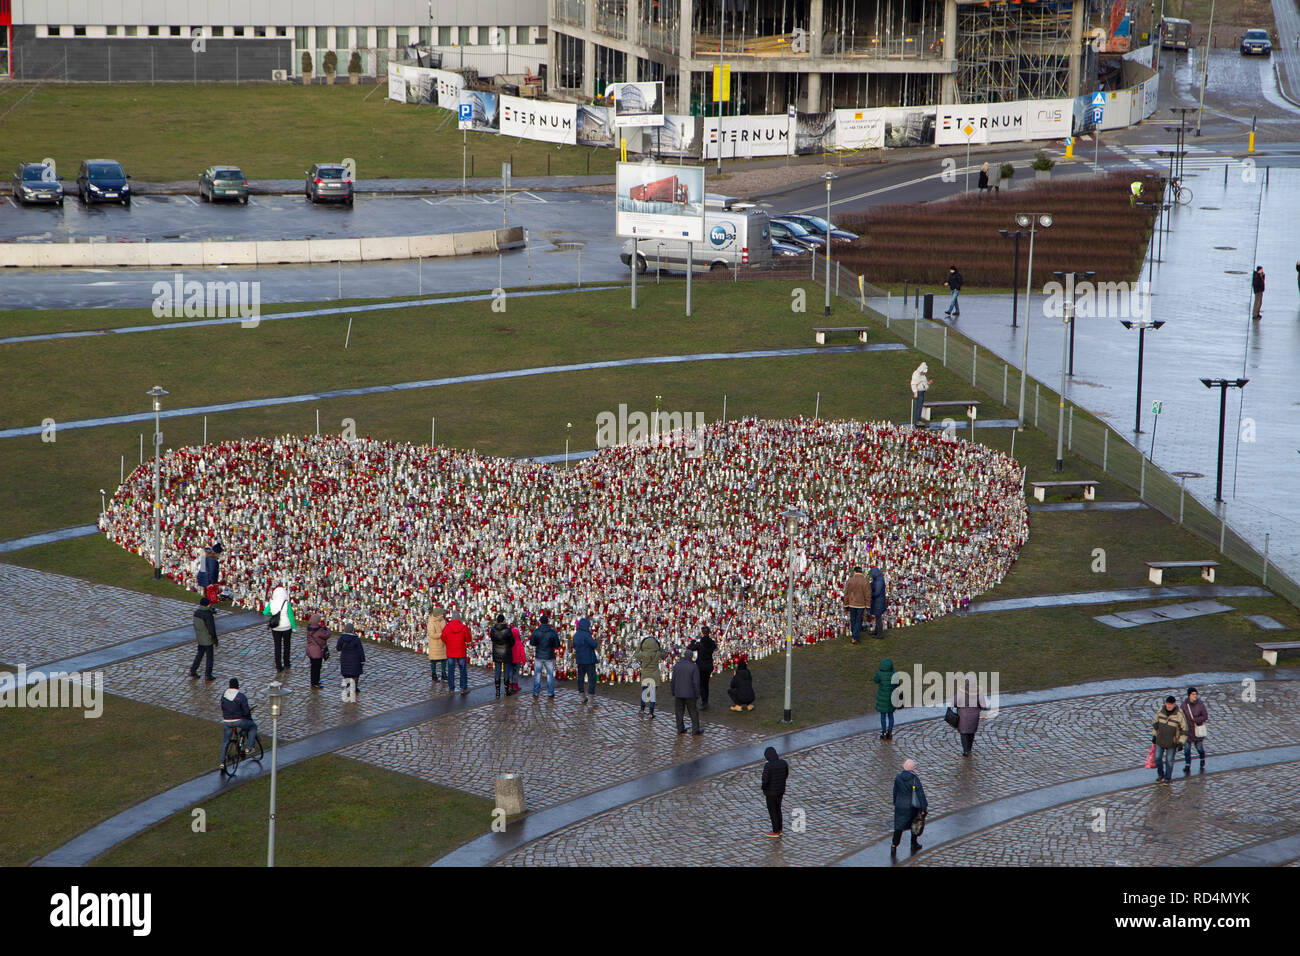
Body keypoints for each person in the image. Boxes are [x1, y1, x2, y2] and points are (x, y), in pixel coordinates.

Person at [218, 678, 259, 772]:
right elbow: (246, 711)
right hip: (239, 721)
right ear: (237, 686)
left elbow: (223, 707)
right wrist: (248, 717)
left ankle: (222, 763)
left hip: (227, 721)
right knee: (253, 727)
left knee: (225, 742)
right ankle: (249, 748)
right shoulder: (241, 696)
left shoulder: (224, 695)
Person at [891, 758, 927, 855]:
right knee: (914, 824)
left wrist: (895, 802)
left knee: (898, 827)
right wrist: (924, 808)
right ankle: (913, 844)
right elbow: (920, 794)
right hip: (911, 806)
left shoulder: (898, 777)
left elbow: (895, 792)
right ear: (913, 768)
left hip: (900, 805)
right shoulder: (914, 779)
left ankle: (894, 845)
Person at [1152, 695, 1188, 784]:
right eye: (1167, 704)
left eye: (1171, 704)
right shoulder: (1160, 711)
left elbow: (1184, 730)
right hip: (1160, 740)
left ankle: (1168, 778)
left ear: (1174, 704)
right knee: (1157, 758)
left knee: (1169, 761)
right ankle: (1161, 774)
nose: (1169, 706)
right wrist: (1154, 735)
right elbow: (1155, 724)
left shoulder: (1179, 715)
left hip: (1172, 743)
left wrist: (1181, 742)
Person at [262, 585, 296, 672]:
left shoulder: (272, 603)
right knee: (286, 646)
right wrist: (294, 627)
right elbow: (291, 616)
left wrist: (273, 614)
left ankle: (278, 665)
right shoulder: (286, 603)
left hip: (276, 628)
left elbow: (265, 612)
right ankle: (286, 663)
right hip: (286, 627)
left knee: (277, 646)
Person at [672, 647, 703, 735]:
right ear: (691, 656)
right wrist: (697, 694)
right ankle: (695, 729)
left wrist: (673, 690)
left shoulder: (677, 665)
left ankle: (680, 728)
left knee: (679, 712)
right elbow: (696, 682)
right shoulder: (694, 666)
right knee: (693, 712)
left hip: (678, 692)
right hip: (690, 693)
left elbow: (673, 679)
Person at [441, 611, 473, 695]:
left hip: (451, 652)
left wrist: (448, 642)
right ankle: (463, 687)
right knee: (462, 670)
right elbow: (468, 639)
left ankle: (451, 688)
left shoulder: (447, 627)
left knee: (451, 670)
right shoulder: (463, 628)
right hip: (461, 652)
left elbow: (443, 637)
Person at [953, 678, 988, 756]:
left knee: (964, 733)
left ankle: (965, 750)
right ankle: (969, 748)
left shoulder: (961, 692)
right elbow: (983, 704)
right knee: (971, 732)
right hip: (974, 715)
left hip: (963, 715)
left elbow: (954, 703)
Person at [761, 746, 790, 838]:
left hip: (770, 793)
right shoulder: (783, 763)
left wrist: (763, 788)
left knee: (772, 811)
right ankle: (780, 829)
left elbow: (765, 780)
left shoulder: (768, 766)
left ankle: (775, 831)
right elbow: (786, 774)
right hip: (780, 791)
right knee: (778, 810)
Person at [530, 614, 560, 699]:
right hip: (549, 656)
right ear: (548, 622)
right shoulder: (552, 632)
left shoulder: (536, 631)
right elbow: (557, 644)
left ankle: (536, 692)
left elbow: (532, 642)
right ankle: (550, 692)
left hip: (539, 655)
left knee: (537, 675)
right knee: (550, 675)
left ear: (540, 622)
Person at [189, 595, 218, 681]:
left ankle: (193, 670)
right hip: (207, 639)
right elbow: (211, 628)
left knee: (199, 655)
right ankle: (208, 674)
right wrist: (215, 639)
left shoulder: (196, 612)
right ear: (207, 605)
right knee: (209, 657)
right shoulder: (207, 614)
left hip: (200, 638)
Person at [1180, 686, 1208, 774]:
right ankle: (1187, 765)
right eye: (1193, 694)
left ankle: (1202, 758)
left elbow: (1205, 716)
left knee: (1199, 747)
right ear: (1189, 695)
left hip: (1197, 730)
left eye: (1196, 694)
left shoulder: (1200, 704)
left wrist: (1196, 720)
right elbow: (1180, 717)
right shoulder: (1184, 705)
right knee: (1187, 749)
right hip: (1188, 731)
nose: (1195, 696)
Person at [689, 625, 717, 709]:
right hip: (708, 665)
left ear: (702, 633)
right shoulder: (711, 642)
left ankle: (704, 701)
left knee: (701, 684)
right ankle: (706, 700)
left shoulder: (700, 643)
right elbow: (715, 647)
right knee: (706, 684)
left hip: (701, 665)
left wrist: (692, 641)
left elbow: (691, 648)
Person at [573, 616, 598, 704]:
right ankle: (591, 695)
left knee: (580, 678)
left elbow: (574, 646)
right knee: (592, 678)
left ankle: (582, 694)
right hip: (589, 660)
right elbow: (594, 644)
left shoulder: (576, 635)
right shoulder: (586, 635)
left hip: (580, 659)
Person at [489, 614, 516, 698]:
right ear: (504, 620)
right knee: (506, 671)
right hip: (506, 652)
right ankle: (506, 690)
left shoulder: (493, 630)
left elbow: (492, 639)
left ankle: (497, 692)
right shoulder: (507, 630)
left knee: (497, 671)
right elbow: (512, 641)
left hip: (497, 652)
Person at [636, 634, 662, 716]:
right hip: (655, 674)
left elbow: (635, 654)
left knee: (644, 692)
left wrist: (639, 647)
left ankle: (642, 709)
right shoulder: (658, 653)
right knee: (652, 694)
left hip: (645, 674)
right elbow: (664, 653)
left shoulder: (643, 654)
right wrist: (659, 646)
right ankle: (651, 712)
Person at [337, 623, 366, 696]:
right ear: (353, 630)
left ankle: (348, 686)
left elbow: (338, 648)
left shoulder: (341, 638)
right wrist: (363, 660)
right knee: (355, 675)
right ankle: (355, 688)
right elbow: (360, 651)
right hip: (355, 660)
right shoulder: (356, 639)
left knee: (346, 674)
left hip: (344, 659)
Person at [873, 657, 898, 740]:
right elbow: (897, 684)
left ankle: (883, 732)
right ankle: (890, 732)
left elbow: (875, 680)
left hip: (882, 699)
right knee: (890, 715)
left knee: (883, 716)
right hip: (891, 699)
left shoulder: (880, 674)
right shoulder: (894, 674)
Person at [843, 566, 869, 644]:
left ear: (854, 572)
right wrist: (867, 605)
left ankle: (854, 636)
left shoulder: (850, 580)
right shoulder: (865, 581)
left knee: (853, 619)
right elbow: (867, 594)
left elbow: (846, 593)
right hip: (861, 604)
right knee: (858, 620)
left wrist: (846, 603)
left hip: (852, 603)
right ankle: (855, 637)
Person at [304, 613, 331, 689]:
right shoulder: (319, 630)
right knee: (317, 667)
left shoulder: (309, 628)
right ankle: (315, 682)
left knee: (313, 666)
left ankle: (313, 681)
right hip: (317, 651)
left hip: (310, 650)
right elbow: (326, 635)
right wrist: (328, 629)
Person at [427, 607, 449, 691]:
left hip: (443, 644)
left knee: (444, 659)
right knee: (434, 660)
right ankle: (434, 674)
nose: (442, 615)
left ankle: (443, 673)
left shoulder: (443, 620)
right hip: (435, 645)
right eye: (440, 614)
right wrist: (442, 634)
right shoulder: (431, 623)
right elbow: (432, 634)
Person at [868, 564, 887, 638]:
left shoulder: (879, 581)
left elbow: (877, 592)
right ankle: (876, 631)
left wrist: (870, 594)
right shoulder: (878, 579)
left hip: (878, 601)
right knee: (877, 617)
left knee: (878, 618)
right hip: (878, 601)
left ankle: (880, 633)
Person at [910, 362, 931, 426]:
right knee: (919, 406)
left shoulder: (921, 375)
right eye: (924, 372)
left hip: (921, 392)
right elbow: (913, 384)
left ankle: (918, 420)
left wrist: (927, 383)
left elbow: (923, 382)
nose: (925, 373)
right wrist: (915, 392)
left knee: (920, 406)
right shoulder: (917, 374)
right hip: (919, 392)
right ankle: (917, 421)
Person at [510, 620, 526, 693]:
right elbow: (522, 653)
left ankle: (511, 685)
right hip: (517, 660)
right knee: (516, 673)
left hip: (510, 660)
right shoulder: (519, 643)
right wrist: (524, 660)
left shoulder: (510, 642)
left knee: (511, 672)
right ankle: (515, 685)